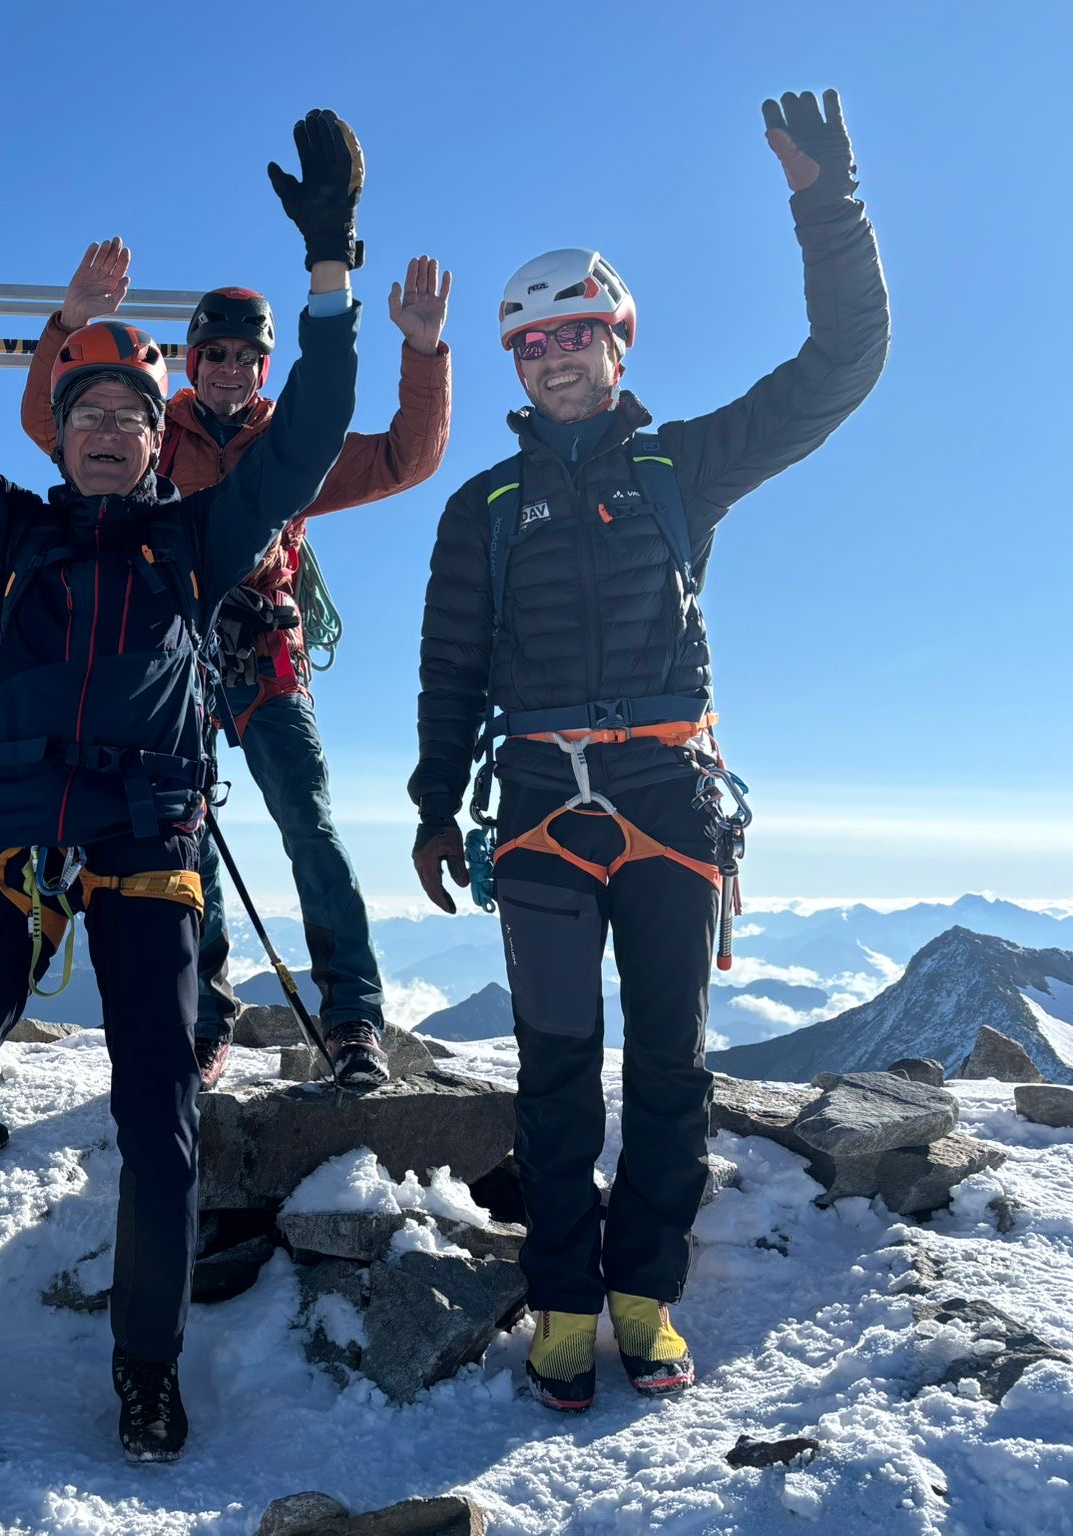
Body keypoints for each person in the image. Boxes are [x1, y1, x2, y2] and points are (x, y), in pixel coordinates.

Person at [0, 95, 364, 1461]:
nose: (103, 428)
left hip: (146, 842)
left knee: (162, 1127)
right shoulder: (11, 533)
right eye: (82, 408)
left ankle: (146, 1369)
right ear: (60, 433)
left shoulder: (198, 545)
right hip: (13, 844)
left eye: (128, 414)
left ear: (155, 441)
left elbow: (307, 438)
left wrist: (332, 277)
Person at [407, 90, 888, 1410]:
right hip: (540, 812)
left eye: (576, 333)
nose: (554, 356)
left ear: (619, 338)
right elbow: (451, 667)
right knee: (558, 1067)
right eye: (532, 342)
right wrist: (437, 806)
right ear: (518, 365)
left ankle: (642, 1295)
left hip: (672, 801)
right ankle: (565, 1302)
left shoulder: (686, 467)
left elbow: (842, 363)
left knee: (672, 1066)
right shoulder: (481, 508)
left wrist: (825, 202)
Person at [20, 244, 453, 1087]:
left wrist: (424, 350)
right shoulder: (151, 428)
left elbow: (408, 456)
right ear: (191, 359)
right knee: (191, 838)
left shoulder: (292, 442)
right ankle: (208, 1014)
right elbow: (52, 422)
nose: (230, 368)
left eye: (249, 356)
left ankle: (354, 1015)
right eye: (215, 353)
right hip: (173, 665)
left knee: (310, 826)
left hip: (264, 659)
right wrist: (70, 324)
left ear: (265, 365)